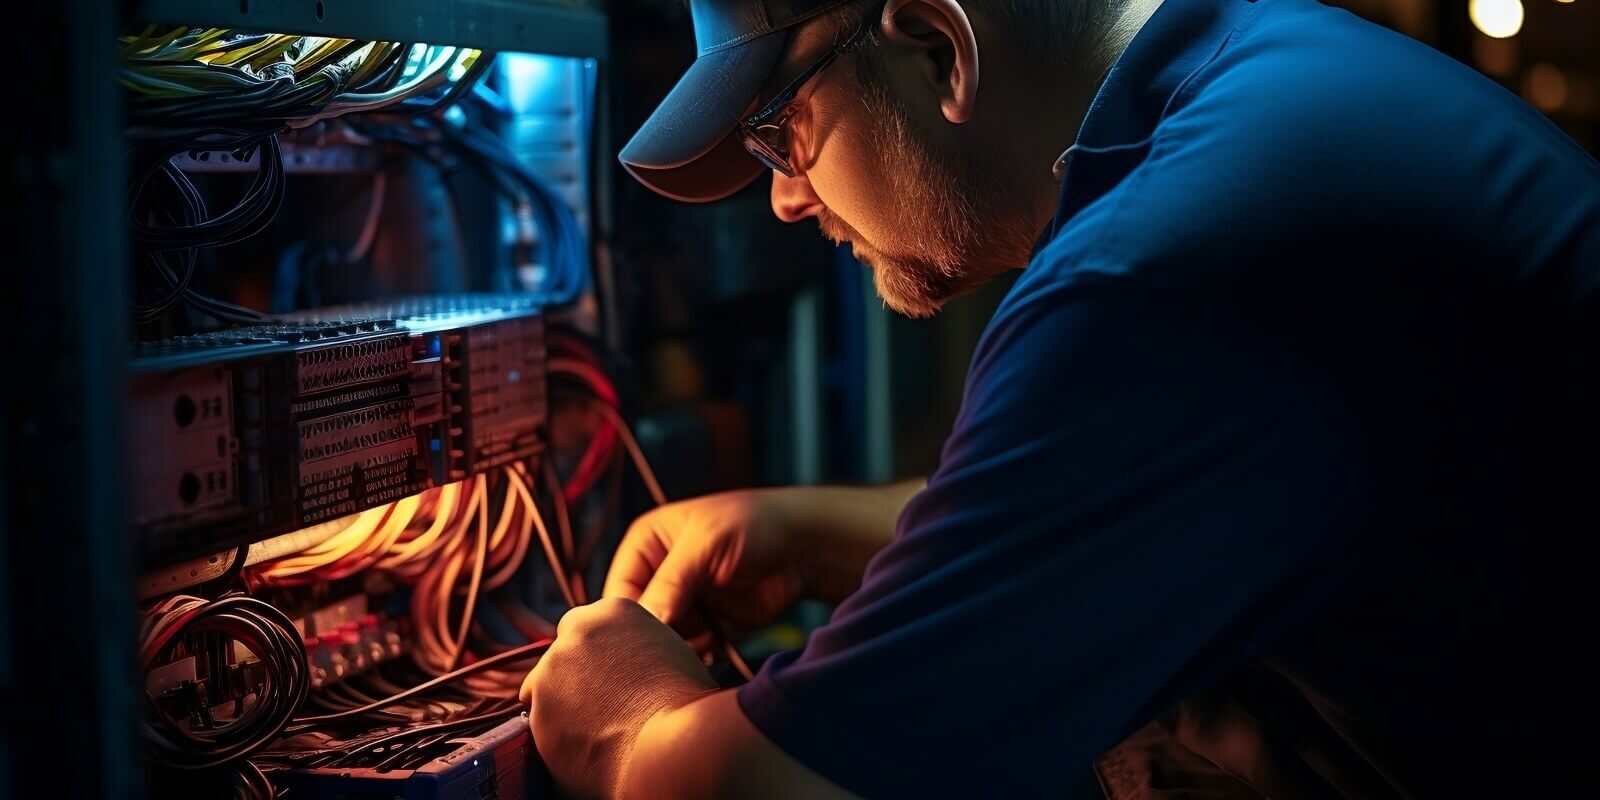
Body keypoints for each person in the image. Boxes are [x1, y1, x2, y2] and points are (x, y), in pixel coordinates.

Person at [520, 0, 1600, 795]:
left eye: (778, 131)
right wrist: (811, 533)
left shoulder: (1159, 272)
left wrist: (626, 728)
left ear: (938, 46)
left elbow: (788, 787)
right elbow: (1173, 501)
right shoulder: (1268, 80)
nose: (789, 199)